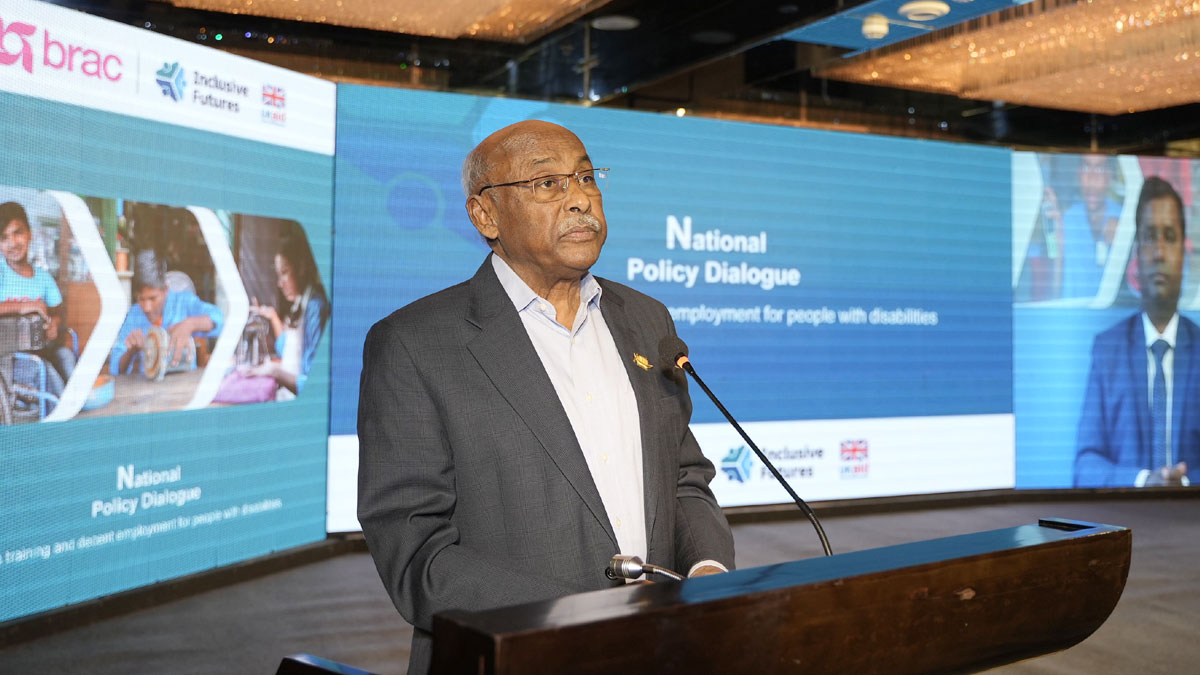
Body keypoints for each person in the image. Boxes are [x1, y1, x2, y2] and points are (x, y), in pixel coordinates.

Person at [357, 120, 735, 674]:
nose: (580, 199)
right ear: (485, 215)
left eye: (586, 177)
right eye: (546, 183)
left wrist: (707, 570)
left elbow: (683, 479)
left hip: (659, 649)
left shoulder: (647, 320)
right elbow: (417, 552)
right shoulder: (414, 344)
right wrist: (583, 620)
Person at [1075, 177, 1200, 487]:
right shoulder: (1107, 350)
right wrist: (1144, 482)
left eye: (1169, 237)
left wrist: (1181, 486)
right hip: (1125, 514)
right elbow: (1085, 467)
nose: (1159, 252)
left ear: (1184, 253)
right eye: (1149, 237)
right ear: (1136, 254)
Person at [0, 201, 74, 410]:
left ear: (30, 234)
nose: (12, 243)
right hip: (8, 360)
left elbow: (57, 313)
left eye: (17, 233)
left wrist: (54, 324)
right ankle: (64, 415)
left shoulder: (44, 279)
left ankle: (80, 406)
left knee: (67, 357)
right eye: (4, 238)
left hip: (41, 350)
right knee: (45, 372)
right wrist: (23, 306)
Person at [111, 249, 223, 376]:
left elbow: (219, 319)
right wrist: (130, 351)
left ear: (165, 290)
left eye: (153, 298)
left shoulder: (183, 302)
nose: (147, 307)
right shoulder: (134, 314)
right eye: (141, 299)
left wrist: (190, 324)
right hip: (149, 385)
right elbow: (115, 368)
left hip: (184, 382)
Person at [245, 235, 329, 399]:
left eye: (284, 273)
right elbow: (286, 348)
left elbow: (313, 385)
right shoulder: (300, 303)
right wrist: (272, 316)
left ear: (301, 268)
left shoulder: (315, 307)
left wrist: (275, 371)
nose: (280, 283)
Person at [1056, 154, 1123, 299]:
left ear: (1110, 176)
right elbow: (1054, 289)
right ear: (1079, 174)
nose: (1092, 178)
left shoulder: (1124, 219)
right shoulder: (1067, 220)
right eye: (1087, 167)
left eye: (1100, 169)